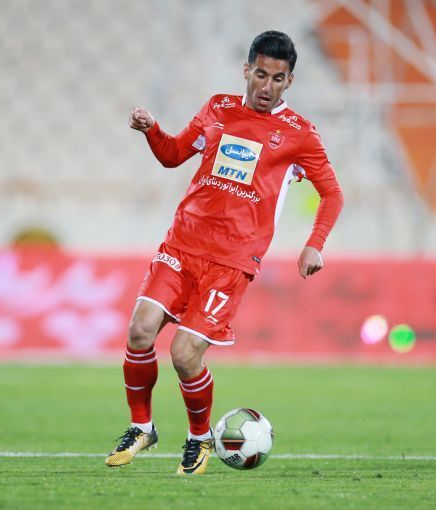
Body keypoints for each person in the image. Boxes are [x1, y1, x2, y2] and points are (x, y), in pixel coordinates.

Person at [106, 30, 344, 475]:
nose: (267, 86)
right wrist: (152, 129)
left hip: (231, 262)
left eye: (278, 79)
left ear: (289, 81)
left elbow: (332, 194)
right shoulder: (218, 108)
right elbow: (173, 154)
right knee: (139, 331)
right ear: (246, 70)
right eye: (261, 74)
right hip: (181, 243)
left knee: (184, 355)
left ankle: (199, 438)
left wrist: (315, 244)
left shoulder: (300, 134)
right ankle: (141, 428)